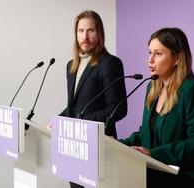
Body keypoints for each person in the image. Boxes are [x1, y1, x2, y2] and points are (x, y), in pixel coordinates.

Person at [118, 27, 194, 188]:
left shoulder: (192, 91)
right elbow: (147, 132)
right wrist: (118, 144)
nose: (150, 60)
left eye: (158, 54)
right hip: (158, 177)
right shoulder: (152, 88)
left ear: (177, 58)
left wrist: (153, 154)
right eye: (149, 53)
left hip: (187, 179)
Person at [58, 10, 127, 188]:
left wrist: (81, 122)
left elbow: (117, 109)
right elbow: (74, 106)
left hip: (99, 149)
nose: (85, 37)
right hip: (75, 147)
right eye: (80, 31)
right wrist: (58, 120)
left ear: (100, 33)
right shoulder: (71, 66)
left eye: (91, 31)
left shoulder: (109, 63)